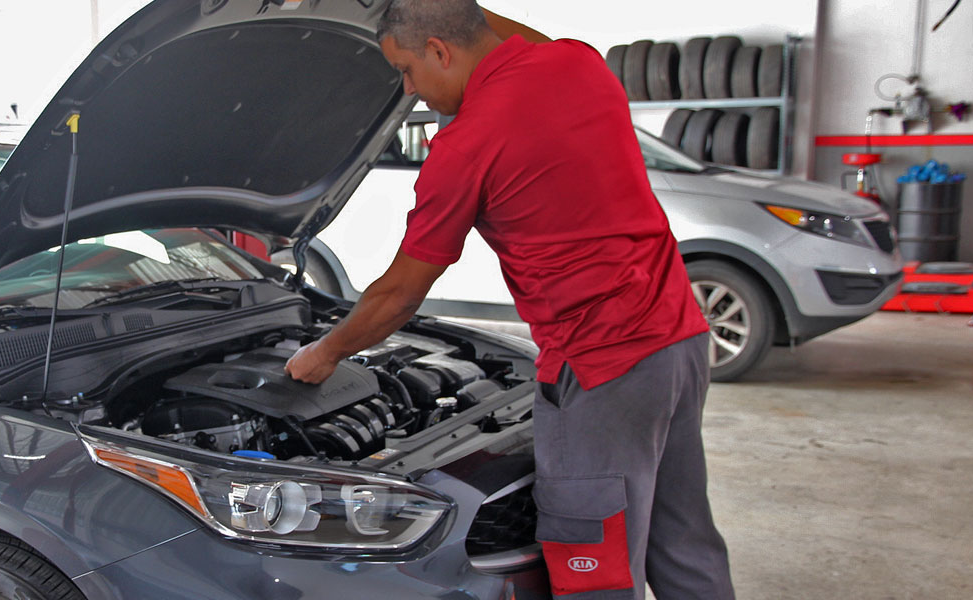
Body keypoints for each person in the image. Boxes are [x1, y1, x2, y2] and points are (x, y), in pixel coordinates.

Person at [283, 1, 735, 598]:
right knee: (683, 538)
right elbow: (494, 31)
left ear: (441, 50)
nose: (410, 90)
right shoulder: (577, 65)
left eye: (407, 70)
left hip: (602, 367)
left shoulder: (467, 145)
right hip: (678, 340)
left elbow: (398, 296)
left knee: (593, 564)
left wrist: (324, 354)